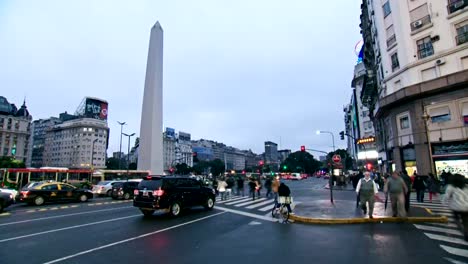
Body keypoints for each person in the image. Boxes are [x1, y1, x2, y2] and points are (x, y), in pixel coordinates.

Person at [442, 173, 468, 241]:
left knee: (457, 220)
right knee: (465, 222)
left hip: (456, 207)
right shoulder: (466, 186)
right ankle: (466, 232)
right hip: (466, 207)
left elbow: (446, 196)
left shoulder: (451, 187)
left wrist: (444, 203)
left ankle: (463, 232)